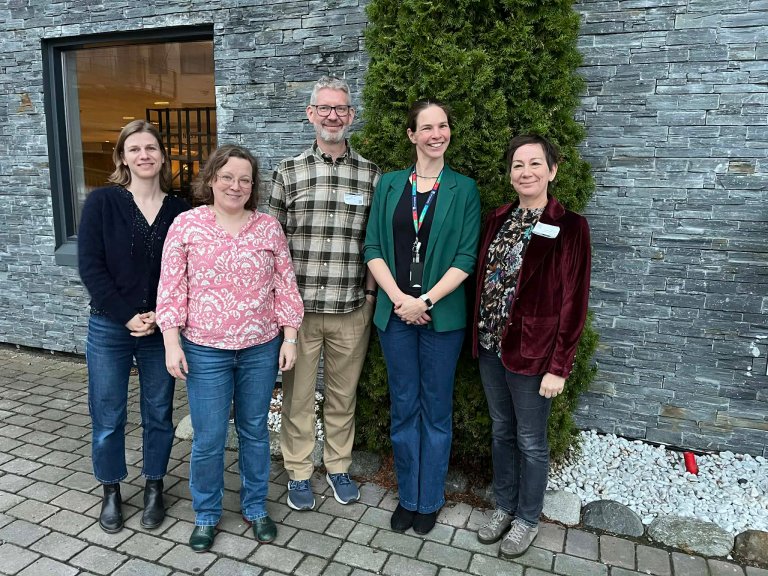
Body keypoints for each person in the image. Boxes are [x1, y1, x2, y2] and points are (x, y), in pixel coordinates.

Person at [156, 144, 303, 552]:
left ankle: (255, 508)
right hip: (205, 349)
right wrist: (172, 343)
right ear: (211, 179)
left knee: (254, 430)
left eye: (244, 179)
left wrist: (289, 338)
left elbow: (285, 287)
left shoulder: (268, 228)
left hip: (260, 347)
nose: (235, 185)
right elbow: (171, 290)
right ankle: (206, 513)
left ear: (252, 186)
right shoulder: (187, 225)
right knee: (208, 436)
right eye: (227, 177)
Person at [364, 99, 481, 535]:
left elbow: (467, 256)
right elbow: (373, 248)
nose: (436, 134)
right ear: (411, 135)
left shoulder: (463, 189)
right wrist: (399, 300)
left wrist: (425, 301)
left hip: (441, 317)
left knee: (435, 410)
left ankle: (429, 498)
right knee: (403, 406)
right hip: (395, 316)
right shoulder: (391, 185)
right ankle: (407, 496)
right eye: (426, 127)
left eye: (443, 126)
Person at [471, 134, 591, 558]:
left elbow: (574, 301)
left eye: (535, 164)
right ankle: (504, 506)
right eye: (518, 165)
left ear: (552, 170)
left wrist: (560, 365)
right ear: (510, 173)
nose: (526, 172)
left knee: (531, 440)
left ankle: (527, 519)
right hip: (490, 344)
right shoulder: (497, 218)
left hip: (534, 353)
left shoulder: (571, 226)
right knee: (501, 431)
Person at [268, 75, 380, 510]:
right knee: (297, 398)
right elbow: (272, 247)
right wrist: (279, 310)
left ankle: (337, 466)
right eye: (325, 108)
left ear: (351, 116)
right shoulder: (288, 172)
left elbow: (377, 244)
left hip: (352, 309)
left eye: (342, 108)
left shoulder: (372, 174)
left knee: (342, 396)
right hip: (300, 315)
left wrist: (370, 298)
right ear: (311, 114)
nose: (333, 115)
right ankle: (298, 471)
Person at [77, 120, 189, 534]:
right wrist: (127, 315)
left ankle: (155, 485)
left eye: (151, 148)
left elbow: (187, 272)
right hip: (110, 326)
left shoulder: (181, 209)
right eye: (135, 148)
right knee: (108, 414)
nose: (144, 155)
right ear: (122, 157)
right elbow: (90, 266)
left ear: (162, 155)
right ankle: (110, 489)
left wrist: (162, 314)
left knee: (159, 413)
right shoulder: (103, 202)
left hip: (163, 330)